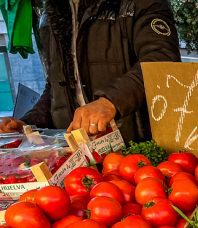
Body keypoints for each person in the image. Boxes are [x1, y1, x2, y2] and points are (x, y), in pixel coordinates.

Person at [0, 0, 181, 142]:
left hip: (137, 146)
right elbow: (55, 86)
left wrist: (110, 102)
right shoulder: (49, 16)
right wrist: (29, 123)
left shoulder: (139, 3)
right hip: (76, 154)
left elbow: (162, 59)